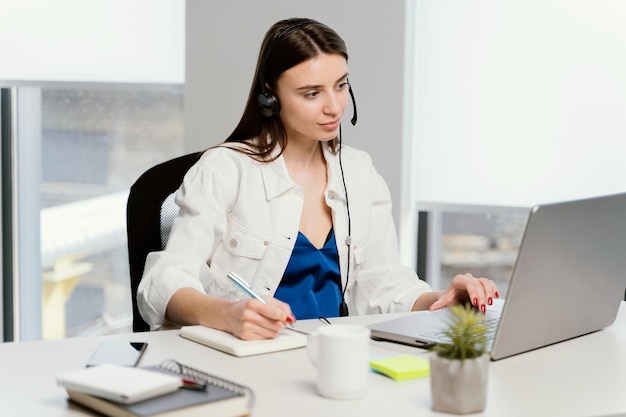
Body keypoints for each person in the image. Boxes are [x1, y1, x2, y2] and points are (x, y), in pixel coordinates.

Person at [137, 17, 499, 340]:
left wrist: (439, 300)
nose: (334, 107)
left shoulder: (359, 173)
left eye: (341, 86)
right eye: (312, 93)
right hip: (254, 360)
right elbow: (163, 281)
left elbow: (382, 285)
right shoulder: (224, 170)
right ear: (270, 96)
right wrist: (228, 315)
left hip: (332, 361)